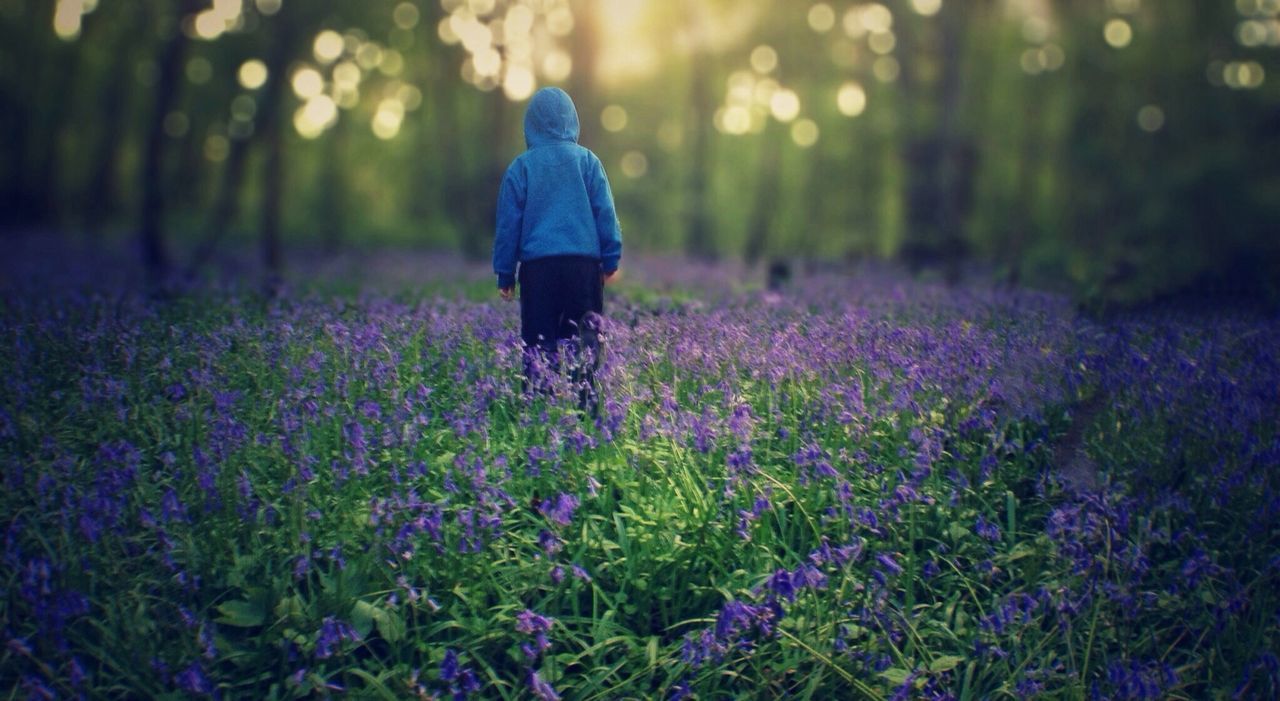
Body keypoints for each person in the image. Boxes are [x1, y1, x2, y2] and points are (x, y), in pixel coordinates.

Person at [493, 87, 622, 411]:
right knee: (586, 332)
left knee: (539, 339)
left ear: (531, 124)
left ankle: (539, 408)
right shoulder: (588, 162)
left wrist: (505, 272)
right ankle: (586, 405)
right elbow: (604, 211)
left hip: (538, 270)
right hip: (583, 266)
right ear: (572, 120)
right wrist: (611, 258)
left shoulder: (521, 168)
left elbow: (509, 225)